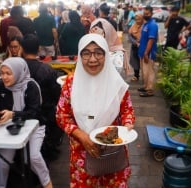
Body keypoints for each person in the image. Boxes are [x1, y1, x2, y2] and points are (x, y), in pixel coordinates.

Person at [56, 33, 135, 187]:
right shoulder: (71, 83)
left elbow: (128, 111)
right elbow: (62, 115)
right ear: (80, 55)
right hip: (82, 150)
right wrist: (83, 137)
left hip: (112, 149)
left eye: (98, 53)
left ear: (106, 54)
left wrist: (127, 125)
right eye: (86, 53)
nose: (92, 59)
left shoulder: (115, 82)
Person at [0, 57, 53, 188]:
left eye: (8, 73)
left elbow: (35, 112)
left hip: (34, 126)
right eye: (2, 73)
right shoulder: (0, 87)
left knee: (33, 157)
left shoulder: (31, 86)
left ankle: (47, 183)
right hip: (9, 128)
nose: (4, 77)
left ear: (18, 72)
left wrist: (13, 114)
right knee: (1, 161)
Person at [20, 34, 63, 161]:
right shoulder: (47, 69)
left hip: (22, 112)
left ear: (21, 48)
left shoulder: (17, 68)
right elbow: (56, 94)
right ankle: (50, 146)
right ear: (38, 49)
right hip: (45, 112)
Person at [137, 6, 158, 97]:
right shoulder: (146, 24)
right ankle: (146, 86)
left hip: (148, 53)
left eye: (147, 14)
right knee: (145, 72)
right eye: (144, 14)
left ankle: (150, 90)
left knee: (149, 72)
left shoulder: (152, 25)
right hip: (142, 52)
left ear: (151, 14)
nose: (145, 15)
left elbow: (151, 39)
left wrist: (146, 53)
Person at [128, 12, 143, 82]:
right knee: (135, 61)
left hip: (143, 46)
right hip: (135, 46)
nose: (137, 21)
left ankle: (145, 76)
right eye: (136, 19)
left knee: (143, 62)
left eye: (139, 19)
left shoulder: (144, 26)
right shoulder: (133, 25)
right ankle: (136, 75)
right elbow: (129, 36)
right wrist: (135, 42)